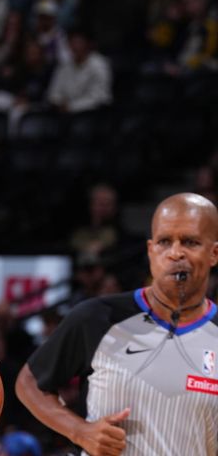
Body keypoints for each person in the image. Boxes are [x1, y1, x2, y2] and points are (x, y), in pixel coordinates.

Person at [16, 192, 218, 456]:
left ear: (214, 253)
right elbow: (29, 382)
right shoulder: (97, 318)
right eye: (164, 242)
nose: (175, 253)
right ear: (150, 250)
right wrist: (80, 431)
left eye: (190, 242)